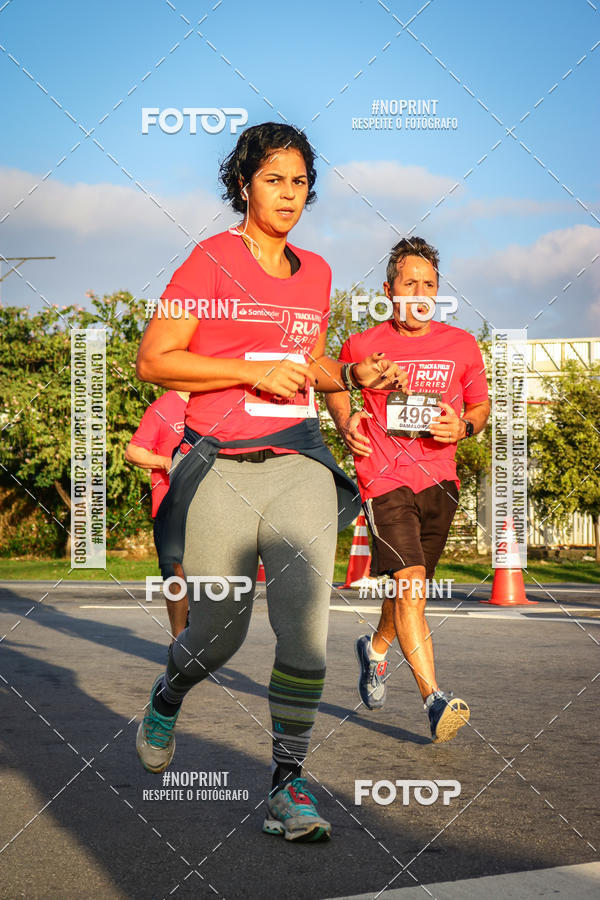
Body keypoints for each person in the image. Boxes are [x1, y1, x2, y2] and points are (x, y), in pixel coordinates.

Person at [134, 122, 407, 841]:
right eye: (273, 179)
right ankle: (169, 692)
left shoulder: (315, 273)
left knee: (306, 634)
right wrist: (249, 367)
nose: (288, 194)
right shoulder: (209, 261)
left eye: (299, 181)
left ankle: (288, 788)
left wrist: (350, 376)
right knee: (217, 635)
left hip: (299, 461)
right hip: (220, 462)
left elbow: (309, 360)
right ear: (244, 185)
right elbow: (156, 360)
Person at [326, 237, 490, 743]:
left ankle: (375, 651)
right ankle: (434, 700)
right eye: (409, 283)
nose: (419, 292)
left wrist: (461, 427)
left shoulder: (461, 345)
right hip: (383, 477)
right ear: (389, 290)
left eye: (429, 285)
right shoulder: (362, 344)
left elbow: (481, 409)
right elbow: (331, 379)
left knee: (407, 590)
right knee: (413, 582)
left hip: (440, 479)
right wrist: (345, 417)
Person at [125, 389, 190, 637]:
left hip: (208, 504)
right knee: (176, 573)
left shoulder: (213, 404)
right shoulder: (162, 407)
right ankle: (178, 642)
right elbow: (133, 451)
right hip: (169, 504)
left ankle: (197, 632)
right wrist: (167, 462)